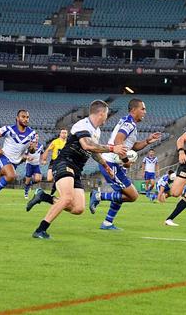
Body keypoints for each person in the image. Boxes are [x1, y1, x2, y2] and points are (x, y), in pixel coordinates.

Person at [29, 100, 127, 239]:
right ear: (101, 113)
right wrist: (112, 148)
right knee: (67, 198)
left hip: (77, 170)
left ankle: (43, 196)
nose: (107, 117)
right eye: (106, 114)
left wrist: (105, 166)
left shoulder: (96, 131)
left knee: (78, 208)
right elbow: (87, 145)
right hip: (64, 163)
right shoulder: (83, 125)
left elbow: (94, 151)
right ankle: (40, 230)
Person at [89, 98, 161, 230]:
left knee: (122, 195)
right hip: (111, 162)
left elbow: (132, 146)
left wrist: (147, 141)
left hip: (115, 162)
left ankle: (107, 223)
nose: (145, 111)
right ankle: (98, 195)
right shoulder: (129, 124)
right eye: (143, 109)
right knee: (133, 195)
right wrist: (126, 161)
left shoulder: (129, 122)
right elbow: (118, 141)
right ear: (134, 110)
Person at [39, 128, 68, 198]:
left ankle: (53, 193)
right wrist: (44, 159)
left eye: (65, 133)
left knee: (58, 178)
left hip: (62, 163)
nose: (64, 134)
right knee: (49, 178)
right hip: (54, 161)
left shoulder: (68, 143)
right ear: (60, 134)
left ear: (67, 134)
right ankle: (53, 191)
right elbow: (47, 150)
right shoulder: (55, 142)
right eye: (63, 133)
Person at [23, 133, 44, 199]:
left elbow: (42, 153)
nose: (37, 137)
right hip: (29, 164)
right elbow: (24, 155)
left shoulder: (41, 146)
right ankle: (26, 193)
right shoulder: (29, 145)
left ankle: (29, 185)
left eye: (38, 136)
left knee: (38, 179)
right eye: (35, 136)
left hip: (36, 165)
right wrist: (28, 157)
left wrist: (43, 160)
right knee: (27, 180)